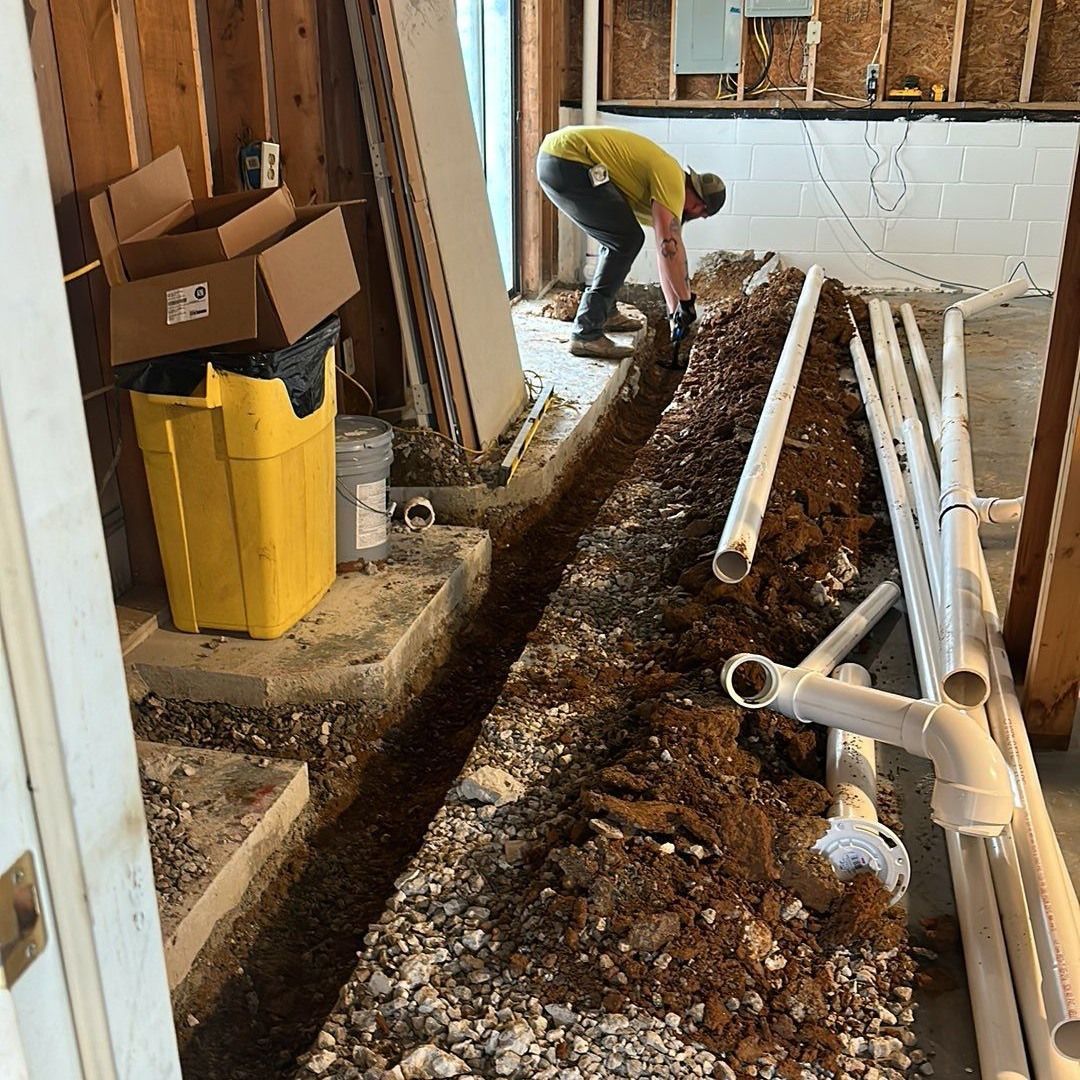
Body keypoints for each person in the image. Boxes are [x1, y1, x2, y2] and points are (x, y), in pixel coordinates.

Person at [537, 125, 726, 360]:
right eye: (699, 214)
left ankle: (604, 312)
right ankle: (586, 332)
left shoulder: (668, 189)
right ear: (700, 206)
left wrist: (674, 312)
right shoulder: (674, 181)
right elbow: (669, 249)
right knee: (626, 240)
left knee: (620, 238)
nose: (694, 217)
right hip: (570, 159)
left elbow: (666, 259)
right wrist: (686, 302)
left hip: (560, 160)